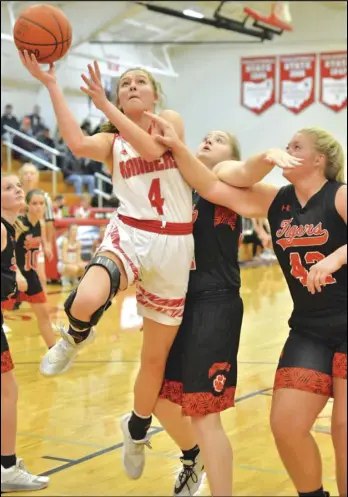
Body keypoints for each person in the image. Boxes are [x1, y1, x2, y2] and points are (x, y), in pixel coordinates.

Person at [148, 115, 346, 497]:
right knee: (286, 425)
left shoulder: (339, 195)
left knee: (343, 430)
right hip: (310, 328)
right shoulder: (276, 200)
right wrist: (175, 144)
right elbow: (207, 184)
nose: (288, 151)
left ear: (320, 159)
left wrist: (335, 259)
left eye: (296, 147)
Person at [19, 52, 194, 478]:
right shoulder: (111, 142)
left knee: (153, 361)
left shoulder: (169, 121)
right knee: (86, 298)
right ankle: (75, 336)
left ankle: (135, 430)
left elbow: (153, 150)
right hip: (131, 232)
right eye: (125, 84)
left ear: (156, 95)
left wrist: (105, 104)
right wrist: (52, 85)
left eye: (140, 82)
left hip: (174, 247)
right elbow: (77, 143)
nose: (132, 87)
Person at [152, 130, 243, 496]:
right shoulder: (182, 189)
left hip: (215, 303)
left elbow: (246, 169)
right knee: (157, 399)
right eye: (205, 136)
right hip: (178, 301)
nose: (208, 140)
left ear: (231, 155)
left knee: (205, 415)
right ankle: (193, 456)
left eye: (219, 139)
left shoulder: (230, 178)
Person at [1, 174, 50, 492]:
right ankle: (6, 468)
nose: (17, 189)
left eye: (19, 185)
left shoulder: (10, 227)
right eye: (8, 188)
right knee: (8, 392)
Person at [11, 190, 56, 350]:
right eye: (34, 203)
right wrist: (16, 273)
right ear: (27, 206)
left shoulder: (41, 224)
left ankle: (54, 352)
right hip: (12, 274)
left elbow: (43, 240)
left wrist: (47, 246)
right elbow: (9, 250)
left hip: (29, 274)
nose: (38, 207)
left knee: (44, 315)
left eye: (41, 203)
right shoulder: (19, 223)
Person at [18, 163, 54, 293]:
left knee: (40, 277)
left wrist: (48, 243)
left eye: (32, 173)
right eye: (26, 173)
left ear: (37, 177)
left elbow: (49, 221)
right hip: (17, 241)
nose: (29, 176)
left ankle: (43, 307)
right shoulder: (14, 194)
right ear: (20, 176)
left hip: (35, 241)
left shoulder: (45, 196)